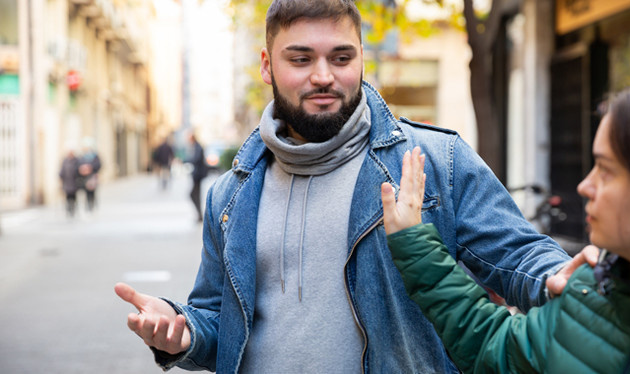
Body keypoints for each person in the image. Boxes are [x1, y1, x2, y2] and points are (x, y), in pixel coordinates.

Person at [114, 1, 577, 372]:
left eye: (341, 57)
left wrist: (569, 279)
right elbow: (218, 322)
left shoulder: (435, 161)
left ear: (361, 57)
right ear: (266, 66)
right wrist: (182, 332)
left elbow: (520, 257)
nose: (323, 76)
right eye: (300, 59)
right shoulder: (230, 193)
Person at [380, 75, 630, 372]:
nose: (585, 186)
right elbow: (497, 348)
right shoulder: (596, 291)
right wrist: (414, 243)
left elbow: (517, 253)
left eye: (606, 170)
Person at [187, 132, 207, 222]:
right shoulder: (196, 146)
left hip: (198, 175)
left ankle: (200, 214)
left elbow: (197, 159)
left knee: (194, 194)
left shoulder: (197, 147)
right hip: (197, 175)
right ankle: (199, 215)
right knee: (195, 195)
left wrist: (187, 160)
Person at [78, 137, 102, 212]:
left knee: (92, 192)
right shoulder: (82, 156)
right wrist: (82, 169)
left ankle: (92, 204)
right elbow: (78, 165)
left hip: (92, 177)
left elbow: (98, 165)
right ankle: (88, 205)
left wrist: (90, 168)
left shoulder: (95, 156)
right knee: (86, 192)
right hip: (84, 178)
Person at [59, 149, 80, 217]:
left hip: (74, 181)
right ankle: (68, 208)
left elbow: (79, 170)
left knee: (73, 196)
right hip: (67, 181)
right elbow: (62, 170)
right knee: (68, 196)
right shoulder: (65, 161)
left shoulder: (77, 161)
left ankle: (73, 208)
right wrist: (61, 176)